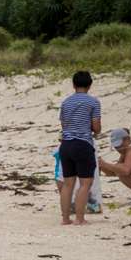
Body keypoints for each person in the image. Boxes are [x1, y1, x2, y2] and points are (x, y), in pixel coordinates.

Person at [57, 71, 101, 225]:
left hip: (66, 144)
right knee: (85, 183)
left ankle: (65, 218)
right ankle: (80, 218)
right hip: (83, 144)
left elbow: (63, 125)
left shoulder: (66, 102)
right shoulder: (93, 102)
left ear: (74, 85)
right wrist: (95, 130)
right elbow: (96, 127)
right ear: (89, 85)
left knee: (68, 183)